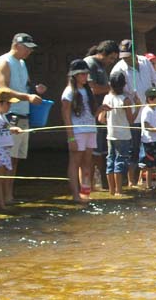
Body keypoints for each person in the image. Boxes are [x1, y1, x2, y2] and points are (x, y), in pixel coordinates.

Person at [0, 33, 45, 205]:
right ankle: (4, 198)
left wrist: (36, 89)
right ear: (16, 45)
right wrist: (27, 97)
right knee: (5, 160)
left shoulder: (22, 63)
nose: (29, 52)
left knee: (15, 160)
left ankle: (9, 195)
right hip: (9, 115)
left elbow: (26, 86)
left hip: (23, 114)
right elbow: (4, 90)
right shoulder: (4, 62)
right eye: (27, 48)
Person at [110, 39, 156, 187]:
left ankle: (142, 180)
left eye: (127, 56)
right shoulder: (118, 69)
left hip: (149, 112)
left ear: (135, 53)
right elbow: (116, 92)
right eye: (122, 56)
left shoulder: (145, 62)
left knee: (149, 147)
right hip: (133, 115)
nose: (125, 59)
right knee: (133, 149)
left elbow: (154, 80)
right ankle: (131, 181)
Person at [61, 59, 107, 202]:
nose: (85, 77)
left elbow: (90, 114)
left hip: (90, 130)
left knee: (87, 163)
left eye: (86, 74)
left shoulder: (88, 90)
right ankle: (76, 195)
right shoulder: (69, 92)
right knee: (75, 163)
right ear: (74, 76)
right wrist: (71, 138)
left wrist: (101, 109)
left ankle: (85, 194)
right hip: (78, 132)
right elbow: (66, 116)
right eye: (81, 74)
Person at [84, 40, 119, 190]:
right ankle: (88, 186)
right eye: (111, 58)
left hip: (101, 115)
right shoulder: (90, 64)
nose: (111, 62)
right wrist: (111, 88)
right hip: (91, 114)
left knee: (102, 152)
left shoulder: (101, 66)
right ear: (103, 54)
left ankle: (101, 184)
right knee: (93, 154)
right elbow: (93, 89)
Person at [98, 72, 136, 196]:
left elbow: (100, 119)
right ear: (124, 85)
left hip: (110, 135)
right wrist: (139, 107)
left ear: (110, 84)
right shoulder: (125, 100)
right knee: (120, 161)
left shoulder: (107, 98)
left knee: (110, 161)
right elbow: (131, 120)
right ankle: (119, 191)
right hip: (123, 136)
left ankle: (112, 191)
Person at [0, 88, 22, 210]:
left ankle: (4, 201)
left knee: (4, 177)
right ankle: (1, 204)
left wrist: (12, 130)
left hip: (5, 150)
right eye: (8, 103)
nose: (9, 105)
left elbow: (2, 130)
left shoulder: (2, 116)